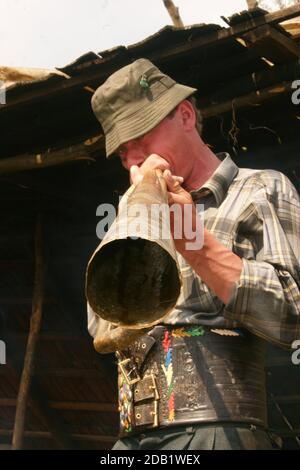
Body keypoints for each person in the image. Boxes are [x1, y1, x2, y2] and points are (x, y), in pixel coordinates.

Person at [87, 58, 300, 450]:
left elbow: (292, 316)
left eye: (141, 142)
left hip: (218, 434)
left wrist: (193, 241)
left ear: (185, 115)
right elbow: (103, 327)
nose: (134, 162)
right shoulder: (132, 213)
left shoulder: (259, 190)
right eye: (122, 154)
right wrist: (139, 220)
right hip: (133, 439)